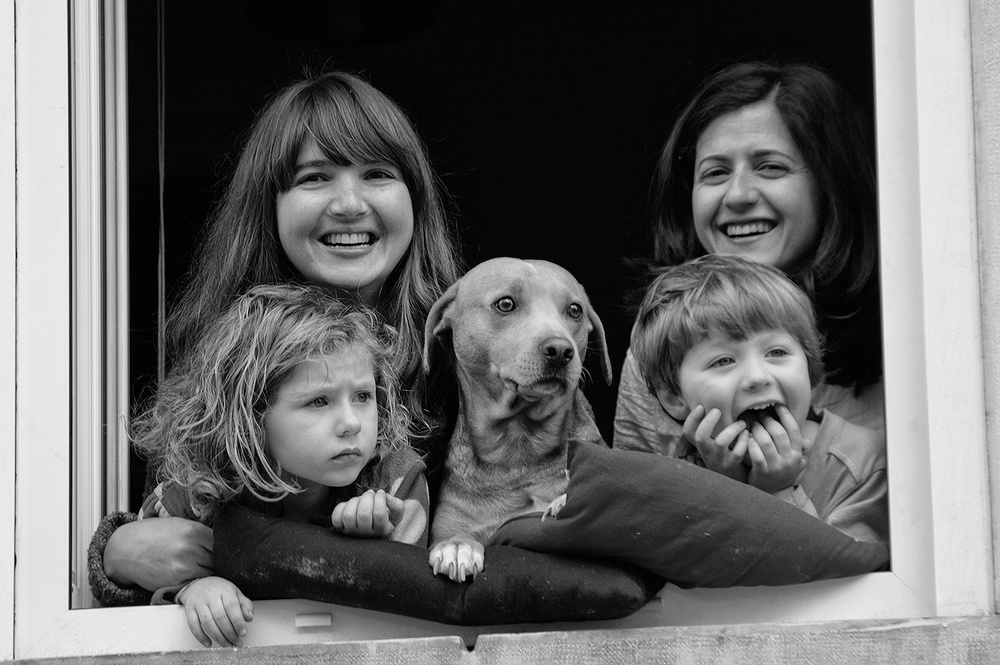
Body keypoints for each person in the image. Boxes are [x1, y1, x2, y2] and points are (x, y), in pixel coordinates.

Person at [88, 71, 464, 606]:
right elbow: (177, 551)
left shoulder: (466, 362)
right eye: (315, 177)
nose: (350, 203)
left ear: (415, 198)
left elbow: (523, 532)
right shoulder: (223, 363)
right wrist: (117, 554)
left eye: (378, 173)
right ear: (270, 203)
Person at [134, 284, 429, 647]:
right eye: (319, 401)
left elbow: (415, 614)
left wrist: (375, 547)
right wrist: (192, 589)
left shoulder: (393, 480)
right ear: (250, 416)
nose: (352, 422)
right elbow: (128, 592)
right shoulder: (197, 493)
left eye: (363, 396)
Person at [615, 61, 884, 456]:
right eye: (715, 173)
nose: (738, 195)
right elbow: (634, 491)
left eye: (770, 167)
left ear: (831, 184)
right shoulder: (665, 340)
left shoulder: (900, 331)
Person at [630, 254, 887, 543]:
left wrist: (778, 493)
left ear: (810, 366)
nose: (757, 377)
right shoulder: (679, 475)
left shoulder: (863, 463)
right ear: (675, 397)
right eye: (724, 361)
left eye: (776, 352)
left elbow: (837, 570)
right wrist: (725, 487)